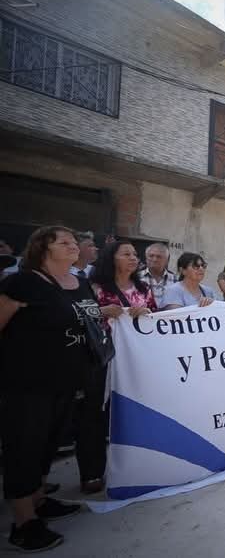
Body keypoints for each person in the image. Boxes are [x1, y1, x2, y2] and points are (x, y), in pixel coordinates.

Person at [0, 226, 114, 551]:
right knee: (24, 448)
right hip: (27, 384)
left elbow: (84, 318)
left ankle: (39, 500)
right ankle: (24, 523)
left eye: (74, 242)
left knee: (49, 445)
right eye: (64, 242)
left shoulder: (80, 283)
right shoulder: (23, 282)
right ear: (42, 248)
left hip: (69, 383)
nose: (73, 246)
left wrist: (109, 313)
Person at [82, 241, 156, 494]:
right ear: (111, 258)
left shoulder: (144, 288)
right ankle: (92, 473)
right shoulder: (94, 287)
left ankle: (136, 465)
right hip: (101, 361)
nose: (133, 258)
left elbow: (156, 319)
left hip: (135, 362)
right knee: (94, 415)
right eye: (126, 254)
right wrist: (102, 311)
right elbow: (78, 315)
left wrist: (145, 312)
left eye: (135, 254)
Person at [140, 242, 176, 309]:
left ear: (167, 261)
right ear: (146, 258)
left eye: (159, 257)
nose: (154, 259)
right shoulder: (136, 278)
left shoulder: (176, 279)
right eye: (151, 256)